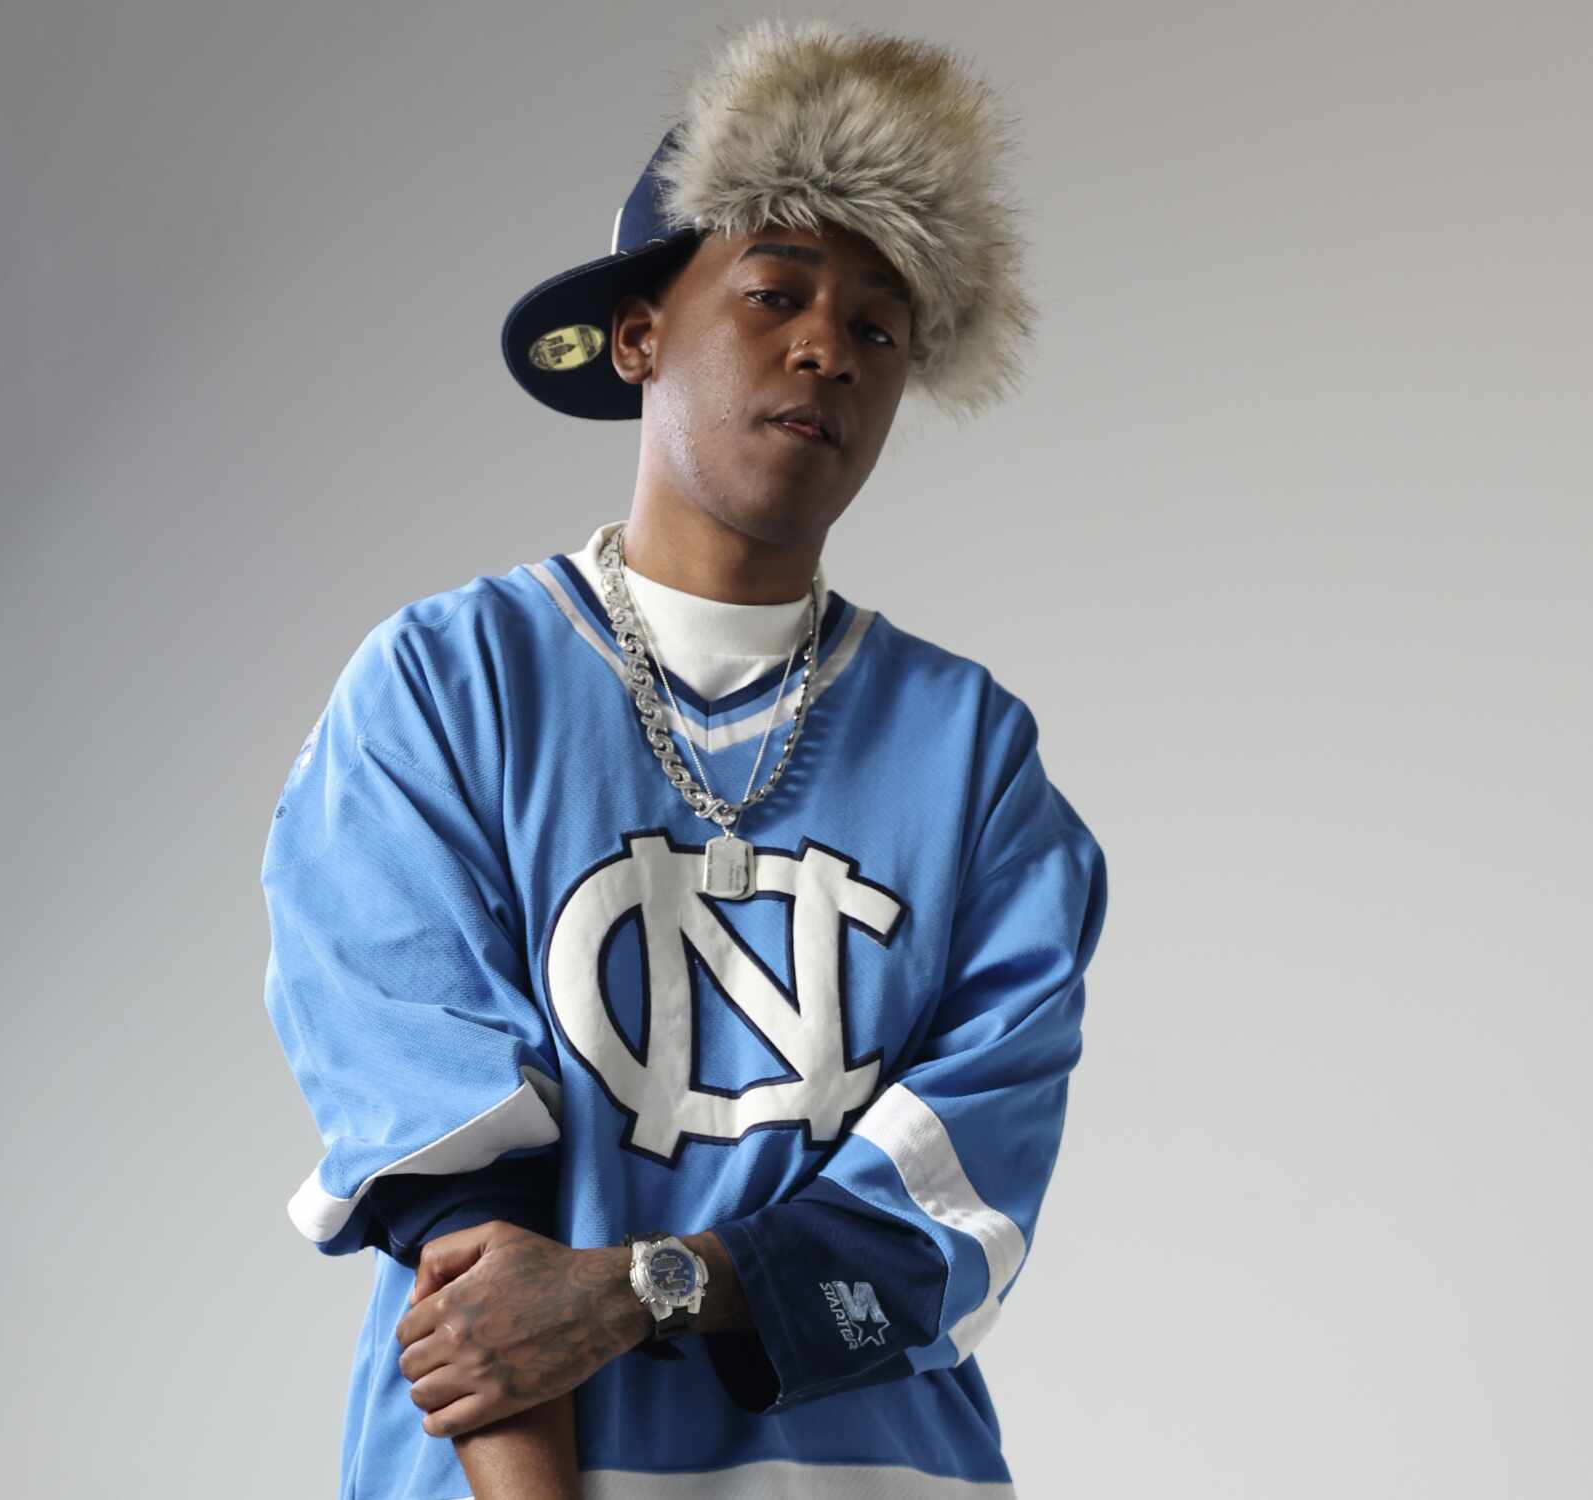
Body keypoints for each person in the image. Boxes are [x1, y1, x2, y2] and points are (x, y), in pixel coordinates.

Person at [261, 19, 1108, 1499]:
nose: (825, 348)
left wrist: (639, 1286)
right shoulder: (447, 689)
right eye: (776, 292)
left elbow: (947, 1214)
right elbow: (455, 1207)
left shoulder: (976, 759)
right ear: (639, 334)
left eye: (879, 328)